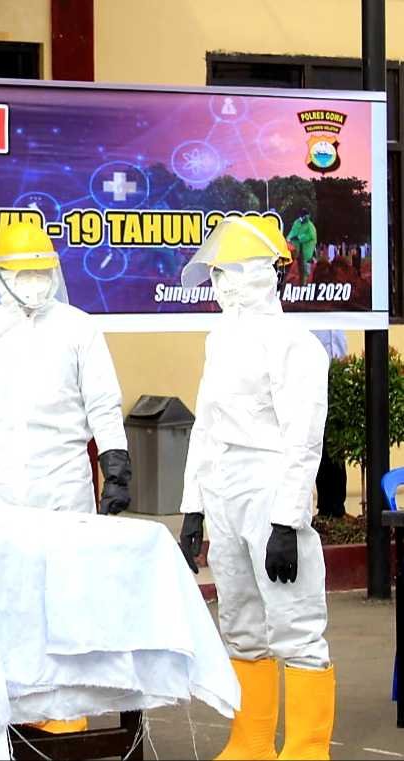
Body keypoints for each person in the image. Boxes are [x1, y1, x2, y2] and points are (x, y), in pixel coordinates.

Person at [177, 216, 334, 760]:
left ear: (265, 274)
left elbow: (303, 439)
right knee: (240, 620)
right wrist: (194, 508)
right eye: (219, 273)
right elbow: (205, 427)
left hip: (271, 486)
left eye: (233, 272)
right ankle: (252, 740)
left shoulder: (296, 344)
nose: (223, 283)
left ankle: (308, 747)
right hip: (223, 488)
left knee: (295, 619)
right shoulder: (219, 339)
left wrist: (287, 522)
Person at [0, 221, 130, 514]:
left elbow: (103, 405)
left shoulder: (80, 328)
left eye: (40, 273)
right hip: (0, 488)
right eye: (24, 275)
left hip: (66, 486)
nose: (34, 282)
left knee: (68, 546)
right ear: (1, 277)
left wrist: (116, 469)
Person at [312, 330, 348, 519]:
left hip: (338, 376)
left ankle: (337, 507)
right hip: (312, 377)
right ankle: (325, 508)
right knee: (319, 441)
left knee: (337, 444)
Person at [286, 209, 317, 286]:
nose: (301, 218)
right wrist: (288, 239)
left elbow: (311, 236)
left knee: (306, 271)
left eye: (303, 216)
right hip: (296, 252)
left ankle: (306, 284)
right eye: (301, 216)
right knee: (296, 269)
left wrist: (300, 237)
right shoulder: (297, 223)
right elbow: (292, 232)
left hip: (306, 253)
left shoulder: (310, 226)